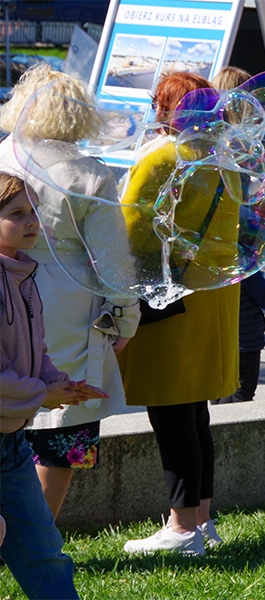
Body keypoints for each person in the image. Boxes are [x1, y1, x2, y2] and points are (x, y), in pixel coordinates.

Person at [0, 63, 140, 520]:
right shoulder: (89, 173)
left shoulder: (4, 157)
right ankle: (39, 534)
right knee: (63, 433)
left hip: (6, 292)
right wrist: (125, 318)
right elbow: (113, 261)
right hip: (70, 306)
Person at [118, 72, 240, 556]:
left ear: (169, 109)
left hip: (171, 301)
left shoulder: (165, 156)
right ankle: (201, 522)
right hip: (211, 297)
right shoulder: (224, 158)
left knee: (170, 415)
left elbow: (127, 226)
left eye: (158, 102)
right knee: (194, 415)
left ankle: (181, 528)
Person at [0, 172, 108, 600]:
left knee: (45, 551)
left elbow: (32, 350)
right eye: (17, 214)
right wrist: (41, 394)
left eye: (33, 212)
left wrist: (57, 382)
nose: (32, 222)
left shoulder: (25, 275)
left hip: (10, 443)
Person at [211, 267, 265, 404]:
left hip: (216, 341)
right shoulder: (244, 267)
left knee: (217, 392)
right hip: (246, 342)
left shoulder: (205, 265)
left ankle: (218, 424)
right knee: (242, 395)